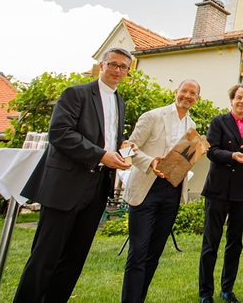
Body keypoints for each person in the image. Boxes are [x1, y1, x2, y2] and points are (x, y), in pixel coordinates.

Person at [14, 48, 134, 303]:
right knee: (45, 257)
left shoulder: (119, 101)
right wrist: (102, 155)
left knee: (74, 259)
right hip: (66, 186)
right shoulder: (76, 94)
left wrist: (119, 151)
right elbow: (60, 133)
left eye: (123, 67)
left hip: (97, 188)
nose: (117, 70)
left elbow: (106, 139)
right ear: (101, 66)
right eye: (112, 64)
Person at [121, 79, 201, 303]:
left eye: (192, 93)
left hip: (172, 192)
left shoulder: (192, 127)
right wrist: (150, 162)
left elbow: (184, 160)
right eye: (184, 91)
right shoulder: (153, 116)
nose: (187, 96)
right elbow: (128, 147)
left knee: (154, 253)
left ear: (197, 99)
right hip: (146, 189)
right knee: (138, 253)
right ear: (176, 92)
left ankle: (139, 298)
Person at [199, 84, 243, 303]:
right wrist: (233, 156)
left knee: (235, 243)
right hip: (218, 190)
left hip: (241, 192)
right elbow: (212, 151)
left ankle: (227, 289)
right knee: (211, 242)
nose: (242, 101)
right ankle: (205, 292)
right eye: (239, 97)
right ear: (232, 99)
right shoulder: (219, 122)